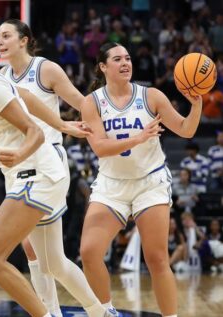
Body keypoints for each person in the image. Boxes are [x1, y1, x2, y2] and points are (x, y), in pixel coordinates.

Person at [0, 23, 109, 317]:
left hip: (36, 170)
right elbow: (23, 97)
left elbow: (33, 132)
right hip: (30, 172)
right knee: (52, 262)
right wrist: (62, 124)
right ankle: (102, 313)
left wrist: (22, 151)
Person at [79, 42, 202, 317]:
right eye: (117, 59)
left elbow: (185, 130)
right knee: (88, 252)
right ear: (102, 67)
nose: (125, 63)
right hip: (112, 184)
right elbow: (99, 147)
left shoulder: (151, 96)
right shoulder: (92, 102)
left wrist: (196, 105)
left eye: (128, 58)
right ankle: (106, 312)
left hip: (150, 182)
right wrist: (139, 137)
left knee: (157, 259)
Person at [0, 19, 99, 317]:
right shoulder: (1, 77)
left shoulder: (46, 69)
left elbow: (82, 103)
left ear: (24, 40)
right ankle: (55, 312)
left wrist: (101, 134)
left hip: (45, 162)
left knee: (47, 256)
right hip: (17, 166)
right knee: (37, 253)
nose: (0, 42)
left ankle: (94, 310)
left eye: (6, 36)